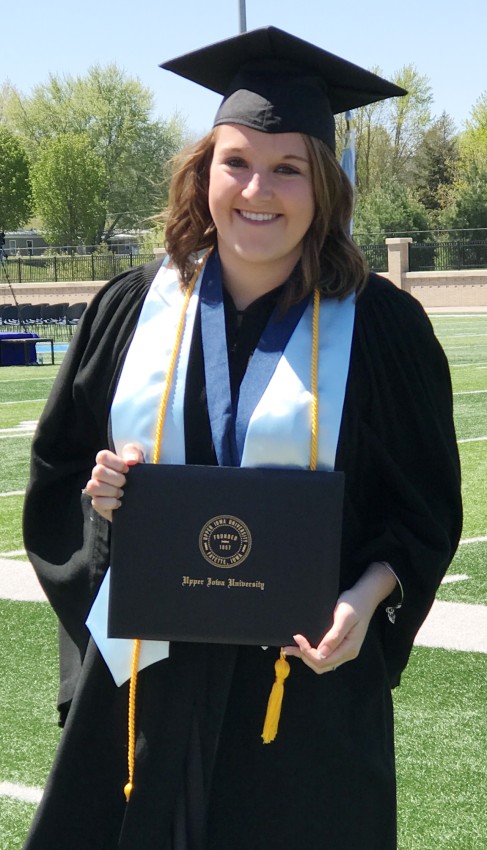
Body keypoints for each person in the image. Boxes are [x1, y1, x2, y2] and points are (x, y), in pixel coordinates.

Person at [22, 26, 462, 850]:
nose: (257, 188)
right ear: (204, 171)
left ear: (324, 185)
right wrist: (103, 498)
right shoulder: (130, 309)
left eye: (287, 167)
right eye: (236, 161)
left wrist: (363, 606)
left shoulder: (383, 331)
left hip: (299, 696)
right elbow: (58, 479)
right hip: (141, 693)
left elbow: (422, 514)